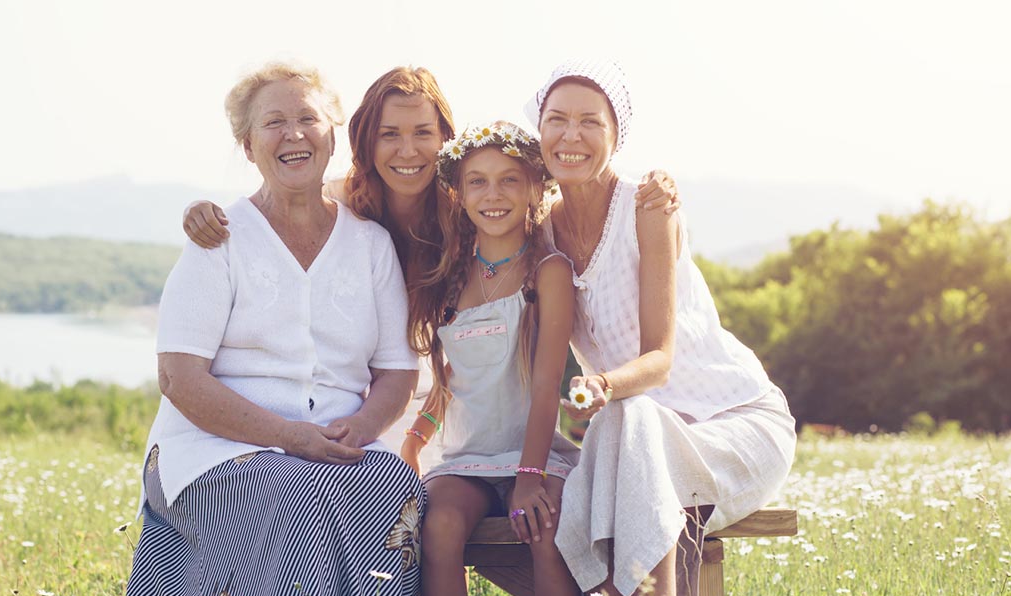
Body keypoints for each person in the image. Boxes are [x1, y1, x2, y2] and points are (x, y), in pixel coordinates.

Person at [179, 67, 681, 465]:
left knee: (415, 491)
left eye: (424, 132)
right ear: (364, 142)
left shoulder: (468, 212)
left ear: (446, 140)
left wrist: (655, 184)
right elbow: (272, 210)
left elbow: (535, 209)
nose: (407, 150)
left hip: (450, 389)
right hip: (369, 394)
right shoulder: (344, 207)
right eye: (388, 134)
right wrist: (200, 211)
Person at [120, 61, 425, 596]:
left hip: (339, 443)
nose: (294, 134)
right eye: (274, 122)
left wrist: (363, 428)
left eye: (308, 118)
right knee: (289, 486)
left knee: (391, 481)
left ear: (333, 133)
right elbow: (178, 377)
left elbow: (398, 369)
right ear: (248, 144)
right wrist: (290, 437)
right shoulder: (218, 239)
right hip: (214, 447)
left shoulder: (369, 243)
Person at [528, 60, 798, 596]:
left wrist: (601, 388)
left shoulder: (648, 207)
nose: (572, 134)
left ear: (616, 137)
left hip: (734, 424)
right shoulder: (539, 230)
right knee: (621, 433)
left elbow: (661, 361)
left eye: (590, 122)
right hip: (640, 438)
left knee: (629, 417)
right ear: (538, 131)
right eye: (556, 120)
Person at [399, 121, 580, 596]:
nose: (492, 194)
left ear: (535, 189)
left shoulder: (546, 273)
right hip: (469, 457)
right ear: (458, 191)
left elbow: (549, 383)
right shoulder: (448, 281)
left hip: (534, 452)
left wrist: (531, 472)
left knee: (546, 526)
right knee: (439, 524)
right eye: (477, 181)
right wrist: (411, 445)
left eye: (509, 180)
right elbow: (447, 386)